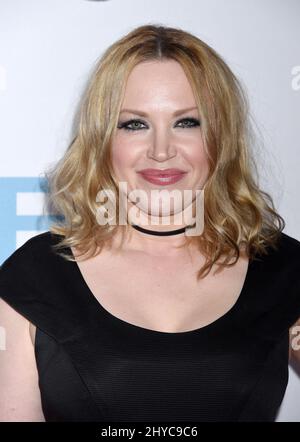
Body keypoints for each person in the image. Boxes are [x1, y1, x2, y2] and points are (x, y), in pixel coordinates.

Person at [0, 24, 299, 423]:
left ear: (222, 137)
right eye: (134, 124)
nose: (161, 151)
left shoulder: (284, 269)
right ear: (102, 139)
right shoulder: (35, 275)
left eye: (187, 122)